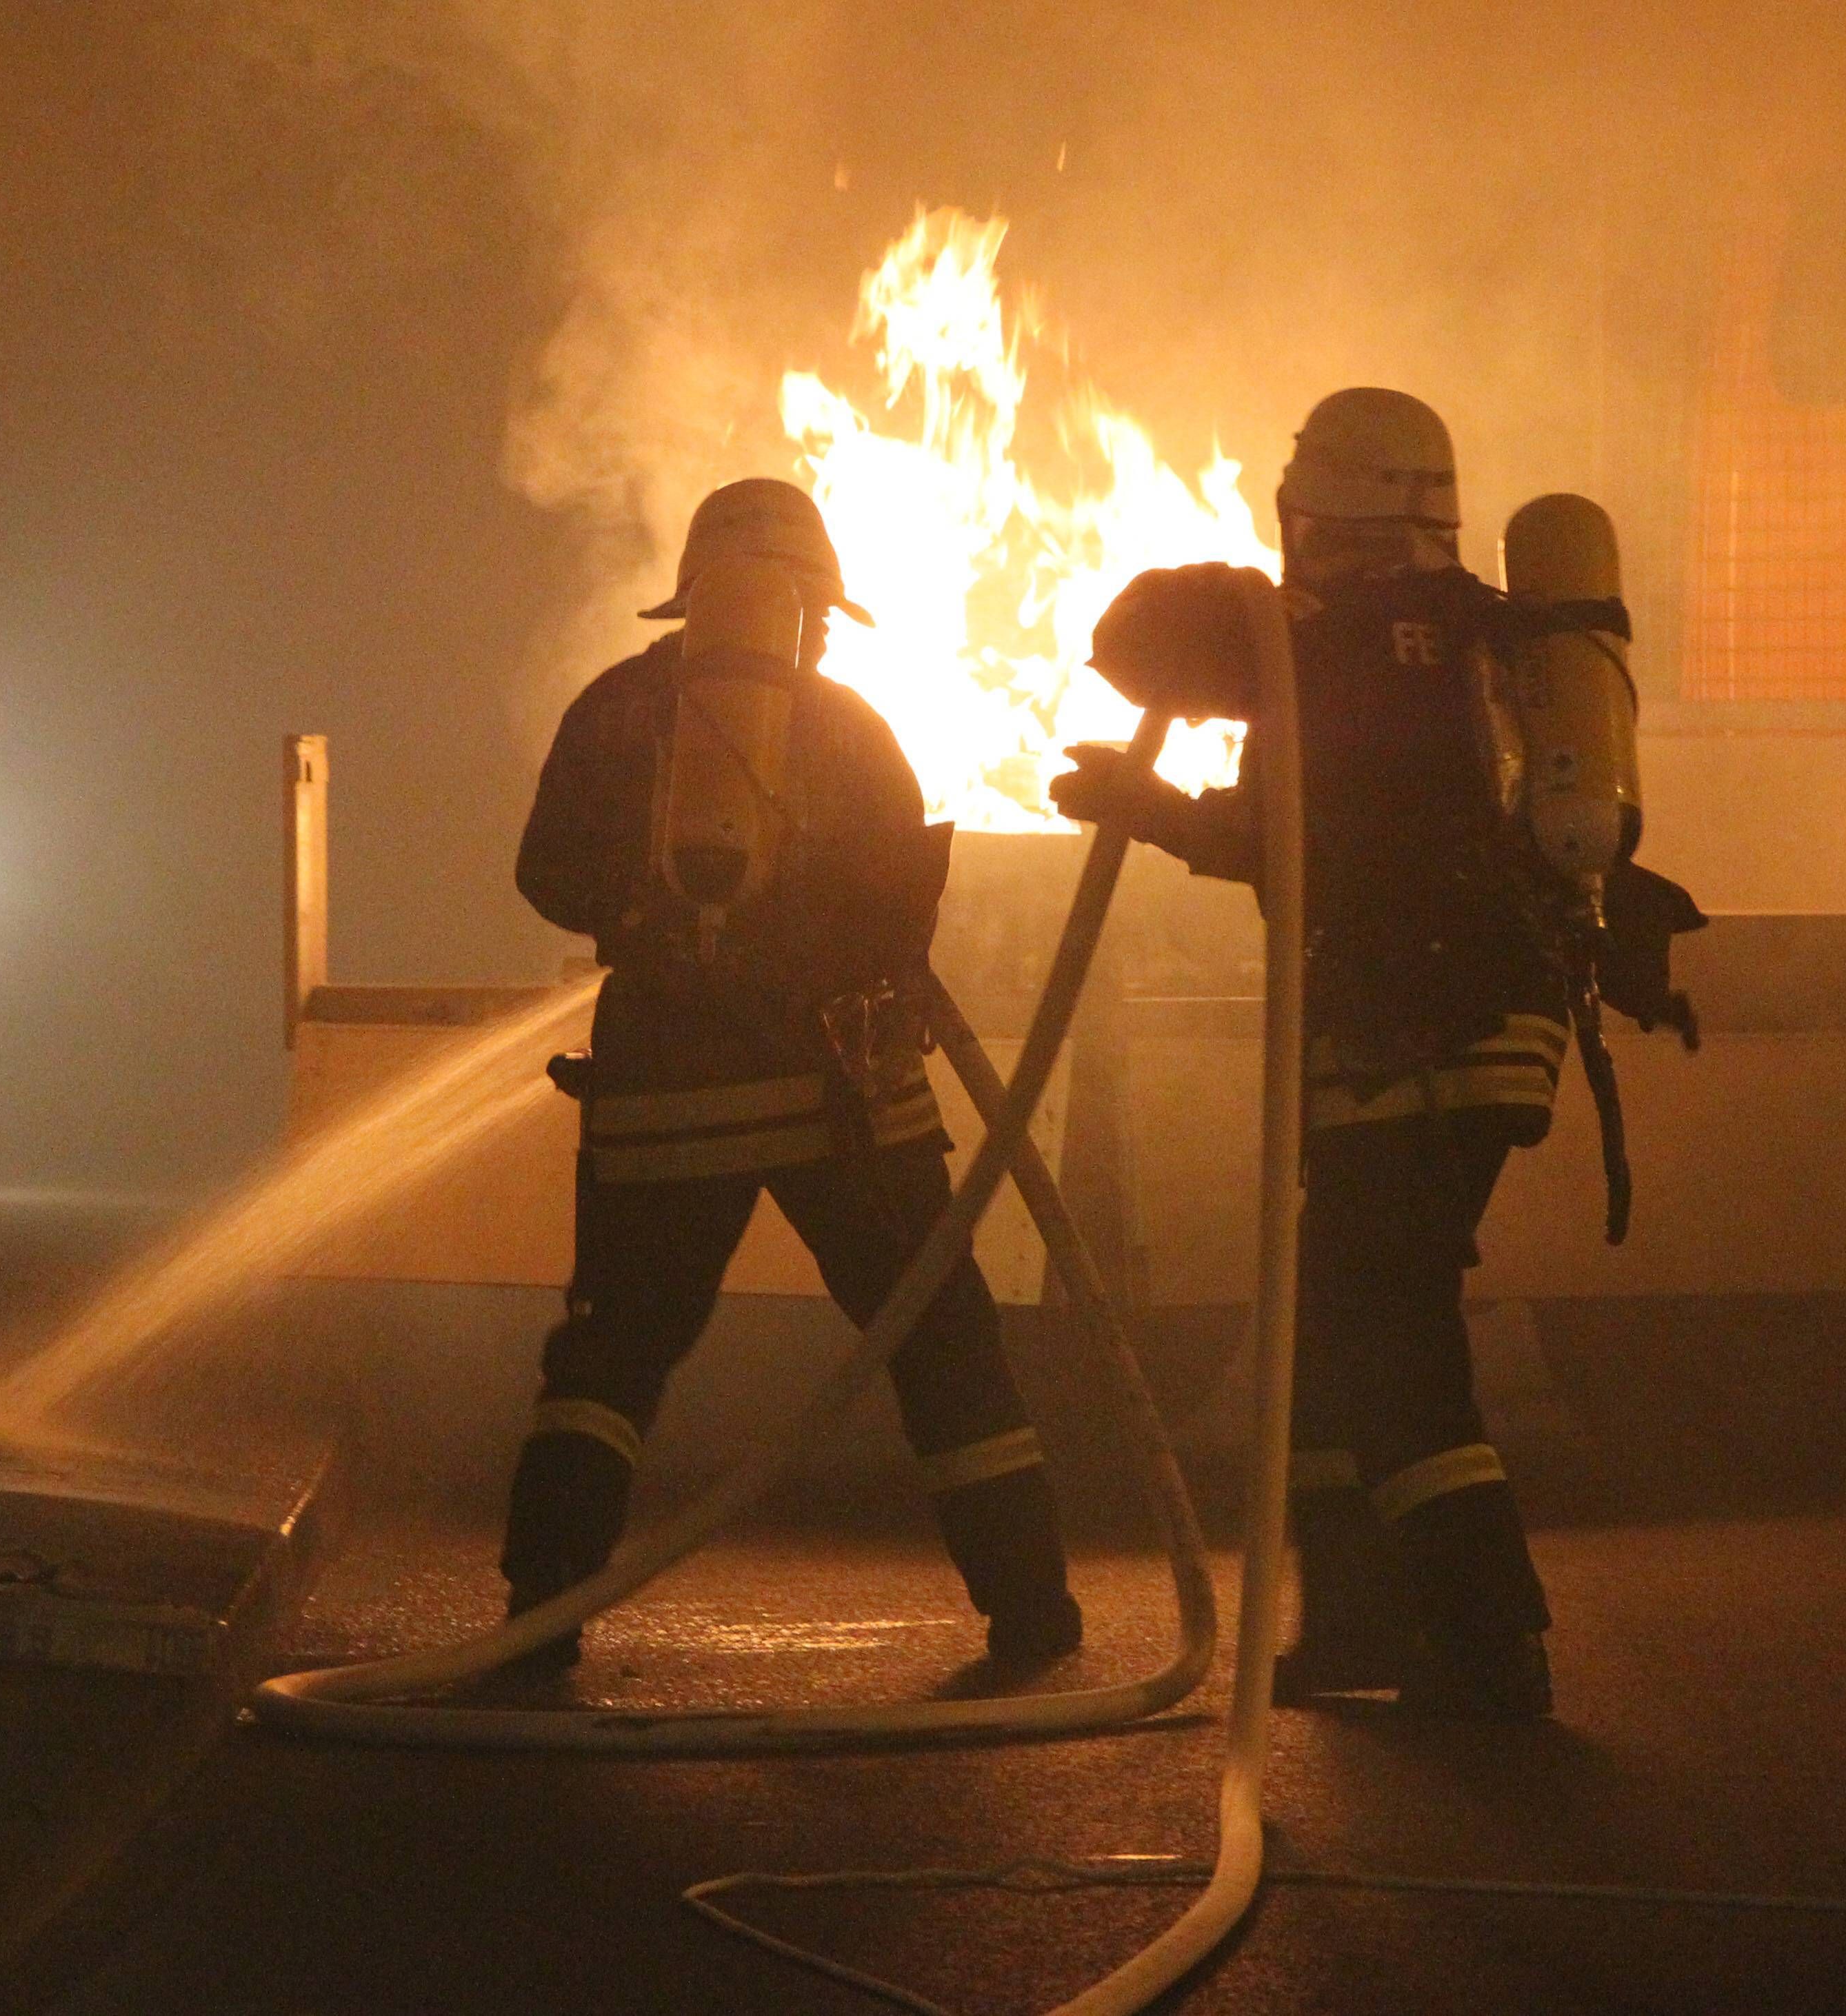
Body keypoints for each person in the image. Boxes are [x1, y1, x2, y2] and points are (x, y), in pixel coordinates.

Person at [1054, 390, 1696, 1718]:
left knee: (1390, 1334)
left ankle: (1485, 1639)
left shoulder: (1337, 650)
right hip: (1488, 1017)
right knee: (1331, 1322)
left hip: (1414, 1028)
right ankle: (1358, 1622)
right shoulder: (1485, 629)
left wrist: (1151, 805)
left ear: (1321, 507)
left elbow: (1290, 831)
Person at [500, 477, 1081, 1680]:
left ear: (691, 598)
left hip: (663, 1099)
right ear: (816, 607)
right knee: (939, 1341)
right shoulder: (850, 726)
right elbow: (900, 900)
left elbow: (545, 876)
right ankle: (1031, 1611)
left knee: (607, 1364)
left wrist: (650, 918)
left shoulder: (611, 710)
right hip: (843, 1093)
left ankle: (541, 1615)